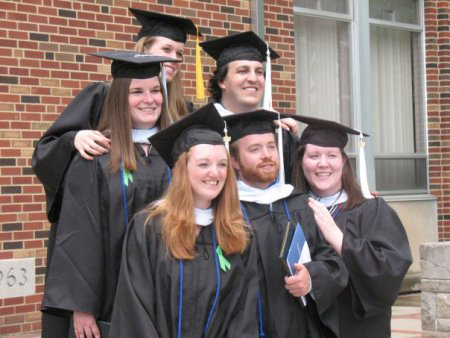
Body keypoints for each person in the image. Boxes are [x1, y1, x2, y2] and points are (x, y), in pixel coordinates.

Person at [41, 52, 179, 338]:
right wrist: (82, 305)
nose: (149, 99)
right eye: (136, 92)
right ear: (118, 99)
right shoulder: (97, 157)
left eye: (156, 90)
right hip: (109, 296)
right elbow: (79, 231)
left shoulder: (177, 154)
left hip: (170, 289)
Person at [33, 8, 199, 224]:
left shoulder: (182, 108)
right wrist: (74, 139)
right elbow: (46, 151)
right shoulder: (102, 96)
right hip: (111, 217)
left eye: (179, 54)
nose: (174, 59)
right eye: (166, 49)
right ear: (144, 48)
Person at [110, 104, 259, 337]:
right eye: (203, 164)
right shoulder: (150, 228)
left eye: (222, 164)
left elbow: (244, 314)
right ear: (182, 170)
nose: (215, 173)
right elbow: (135, 310)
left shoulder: (237, 233)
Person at [224, 110, 348, 337]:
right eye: (254, 149)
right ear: (234, 161)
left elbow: (331, 260)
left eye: (271, 146)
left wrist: (311, 277)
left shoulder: (299, 203)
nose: (266, 155)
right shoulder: (225, 212)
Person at [292, 116, 413, 337]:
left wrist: (338, 239)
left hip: (358, 329)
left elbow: (392, 267)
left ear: (343, 161)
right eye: (313, 155)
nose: (322, 163)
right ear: (301, 161)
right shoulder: (289, 211)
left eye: (331, 155)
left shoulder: (371, 209)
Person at [200, 31, 300, 183]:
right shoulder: (203, 129)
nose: (253, 78)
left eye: (259, 72)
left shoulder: (280, 132)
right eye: (242, 71)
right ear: (222, 81)